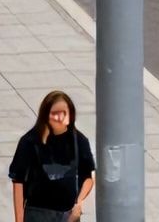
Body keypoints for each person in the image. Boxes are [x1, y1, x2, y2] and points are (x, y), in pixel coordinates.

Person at [8, 90, 95, 222]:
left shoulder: (79, 141)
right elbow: (18, 182)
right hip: (38, 214)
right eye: (55, 113)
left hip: (68, 214)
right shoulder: (30, 142)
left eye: (64, 113)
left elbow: (87, 177)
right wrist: (19, 220)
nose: (59, 118)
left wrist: (79, 202)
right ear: (46, 115)